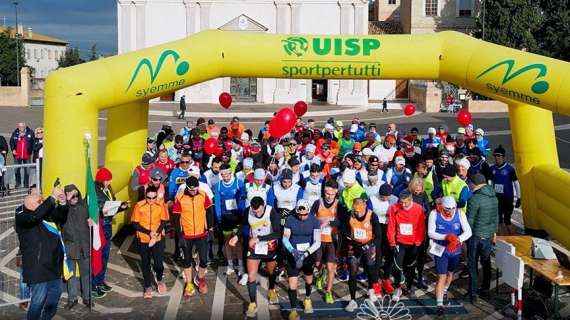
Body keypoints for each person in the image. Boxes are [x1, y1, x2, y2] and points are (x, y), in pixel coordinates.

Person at [16, 184, 69, 320]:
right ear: (31, 204)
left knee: (53, 301)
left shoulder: (44, 211)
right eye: (40, 201)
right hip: (37, 269)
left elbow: (61, 217)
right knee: (37, 302)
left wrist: (62, 202)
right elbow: (35, 217)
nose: (43, 202)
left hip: (53, 267)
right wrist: (52, 198)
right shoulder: (21, 214)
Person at [228, 196, 281, 317]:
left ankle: (271, 289)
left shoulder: (271, 211)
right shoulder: (248, 211)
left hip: (269, 245)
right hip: (254, 247)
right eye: (254, 211)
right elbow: (244, 225)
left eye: (259, 211)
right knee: (251, 275)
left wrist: (260, 238)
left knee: (271, 271)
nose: (257, 213)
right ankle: (252, 303)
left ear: (263, 206)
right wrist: (237, 236)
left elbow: (278, 233)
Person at [428, 196, 472, 316]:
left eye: (453, 208)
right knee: (441, 276)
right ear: (442, 206)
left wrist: (458, 239)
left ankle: (445, 289)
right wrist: (445, 237)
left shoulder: (460, 214)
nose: (451, 211)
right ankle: (439, 304)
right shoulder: (434, 214)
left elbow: (468, 231)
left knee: (450, 273)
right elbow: (430, 232)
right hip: (440, 249)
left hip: (455, 250)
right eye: (448, 209)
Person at [172, 176, 214, 296]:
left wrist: (210, 229)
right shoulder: (180, 197)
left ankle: (199, 278)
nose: (194, 191)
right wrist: (179, 236)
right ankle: (189, 283)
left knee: (204, 260)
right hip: (187, 234)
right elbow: (176, 218)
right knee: (187, 260)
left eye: (195, 189)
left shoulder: (203, 194)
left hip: (202, 233)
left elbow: (209, 212)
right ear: (187, 187)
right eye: (191, 189)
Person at [282, 199, 321, 320]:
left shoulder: (315, 221)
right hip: (293, 254)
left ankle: (307, 298)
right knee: (292, 284)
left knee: (308, 280)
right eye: (299, 214)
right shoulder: (289, 219)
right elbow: (285, 238)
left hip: (308, 254)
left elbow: (317, 241)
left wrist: (305, 254)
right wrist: (293, 251)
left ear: (308, 211)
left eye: (304, 214)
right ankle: (293, 310)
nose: (302, 216)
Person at [93, 167, 128, 298]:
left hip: (107, 225)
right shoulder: (96, 191)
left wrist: (120, 207)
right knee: (98, 255)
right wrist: (112, 207)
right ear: (101, 180)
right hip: (100, 226)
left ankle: (101, 280)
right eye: (107, 180)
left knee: (105, 255)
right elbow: (101, 208)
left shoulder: (108, 190)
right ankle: (94, 284)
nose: (110, 182)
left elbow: (110, 206)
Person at [343, 197, 382, 312]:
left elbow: (379, 236)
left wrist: (368, 246)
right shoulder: (350, 215)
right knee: (353, 271)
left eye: (360, 210)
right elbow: (344, 230)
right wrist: (351, 242)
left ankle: (371, 290)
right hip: (355, 246)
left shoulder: (372, 216)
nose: (358, 213)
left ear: (365, 206)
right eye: (355, 210)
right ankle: (352, 300)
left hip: (368, 245)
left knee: (370, 269)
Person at [131, 186, 170, 298]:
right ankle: (148, 285)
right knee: (145, 262)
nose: (151, 200)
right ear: (145, 196)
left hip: (158, 238)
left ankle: (159, 279)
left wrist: (156, 233)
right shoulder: (139, 205)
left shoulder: (161, 204)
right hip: (143, 238)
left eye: (154, 198)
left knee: (158, 262)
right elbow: (135, 224)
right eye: (149, 198)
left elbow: (163, 221)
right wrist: (149, 232)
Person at [387, 190, 426, 302]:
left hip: (413, 243)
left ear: (411, 200)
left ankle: (409, 287)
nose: (403, 205)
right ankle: (398, 288)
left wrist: (418, 241)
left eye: (406, 203)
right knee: (397, 267)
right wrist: (392, 242)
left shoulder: (418, 209)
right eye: (401, 202)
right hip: (400, 242)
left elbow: (421, 227)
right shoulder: (395, 208)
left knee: (410, 267)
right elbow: (391, 226)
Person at [466, 173, 498, 302]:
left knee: (472, 264)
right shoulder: (494, 197)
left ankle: (473, 293)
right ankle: (485, 289)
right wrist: (494, 233)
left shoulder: (475, 199)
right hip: (488, 236)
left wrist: (464, 238)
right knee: (486, 263)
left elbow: (470, 221)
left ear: (474, 183)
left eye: (470, 183)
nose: (469, 185)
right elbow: (496, 218)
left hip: (476, 237)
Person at [214, 164, 247, 284]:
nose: (225, 177)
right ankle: (230, 264)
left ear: (231, 173)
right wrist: (218, 217)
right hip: (225, 217)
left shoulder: (239, 183)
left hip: (237, 217)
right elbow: (217, 202)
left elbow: (243, 198)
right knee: (227, 242)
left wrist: (242, 214)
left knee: (238, 242)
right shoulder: (218, 186)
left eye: (227, 174)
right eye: (222, 175)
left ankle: (241, 265)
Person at [61, 184, 92, 309]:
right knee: (71, 275)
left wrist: (92, 219)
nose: (75, 197)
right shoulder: (63, 209)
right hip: (70, 248)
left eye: (76, 194)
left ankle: (87, 297)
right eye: (71, 195)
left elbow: (97, 211)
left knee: (86, 274)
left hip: (84, 246)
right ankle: (72, 299)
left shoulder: (85, 207)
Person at [312, 180, 342, 304]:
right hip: (319, 239)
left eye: (331, 194)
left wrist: (330, 222)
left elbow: (341, 222)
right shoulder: (317, 202)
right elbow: (310, 217)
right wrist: (320, 220)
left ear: (336, 192)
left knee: (331, 267)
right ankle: (320, 273)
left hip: (332, 240)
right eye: (326, 193)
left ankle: (328, 292)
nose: (328, 196)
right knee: (318, 263)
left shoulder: (339, 204)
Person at [489, 145, 520, 235]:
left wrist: (519, 198)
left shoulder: (510, 169)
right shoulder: (492, 169)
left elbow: (516, 183)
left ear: (503, 156)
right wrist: (491, 194)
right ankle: (502, 240)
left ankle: (514, 238)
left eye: (498, 155)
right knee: (498, 221)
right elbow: (490, 182)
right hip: (497, 198)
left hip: (507, 198)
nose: (496, 157)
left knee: (507, 221)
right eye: (495, 155)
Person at [10, 122, 35, 188]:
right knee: (16, 169)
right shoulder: (15, 133)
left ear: (25, 126)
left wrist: (31, 150)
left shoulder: (30, 132)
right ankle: (18, 183)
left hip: (27, 155)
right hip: (17, 155)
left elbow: (33, 142)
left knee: (27, 170)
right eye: (20, 127)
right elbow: (11, 142)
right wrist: (13, 149)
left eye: (23, 126)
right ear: (18, 127)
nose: (21, 128)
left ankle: (26, 184)